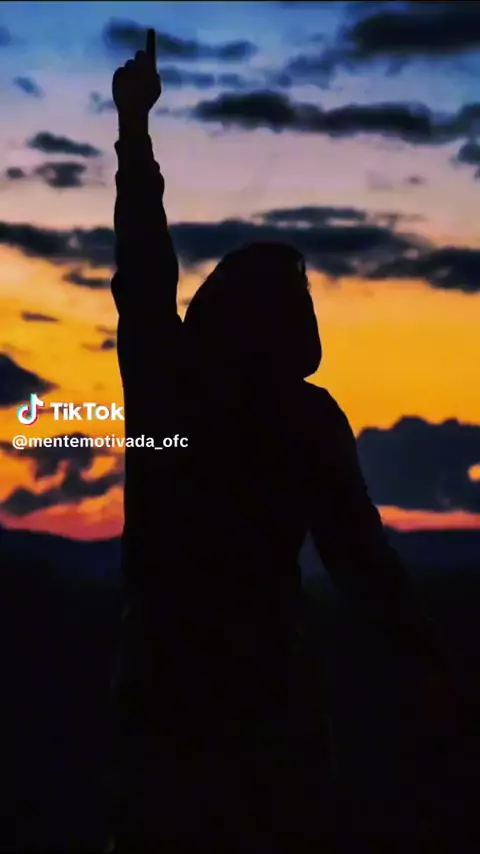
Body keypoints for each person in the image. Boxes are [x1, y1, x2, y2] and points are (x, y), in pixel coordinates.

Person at [108, 29, 455, 853]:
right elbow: (363, 563)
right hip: (266, 696)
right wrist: (428, 665)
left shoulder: (166, 384)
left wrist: (134, 129)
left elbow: (144, 267)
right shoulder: (305, 419)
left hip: (167, 689)